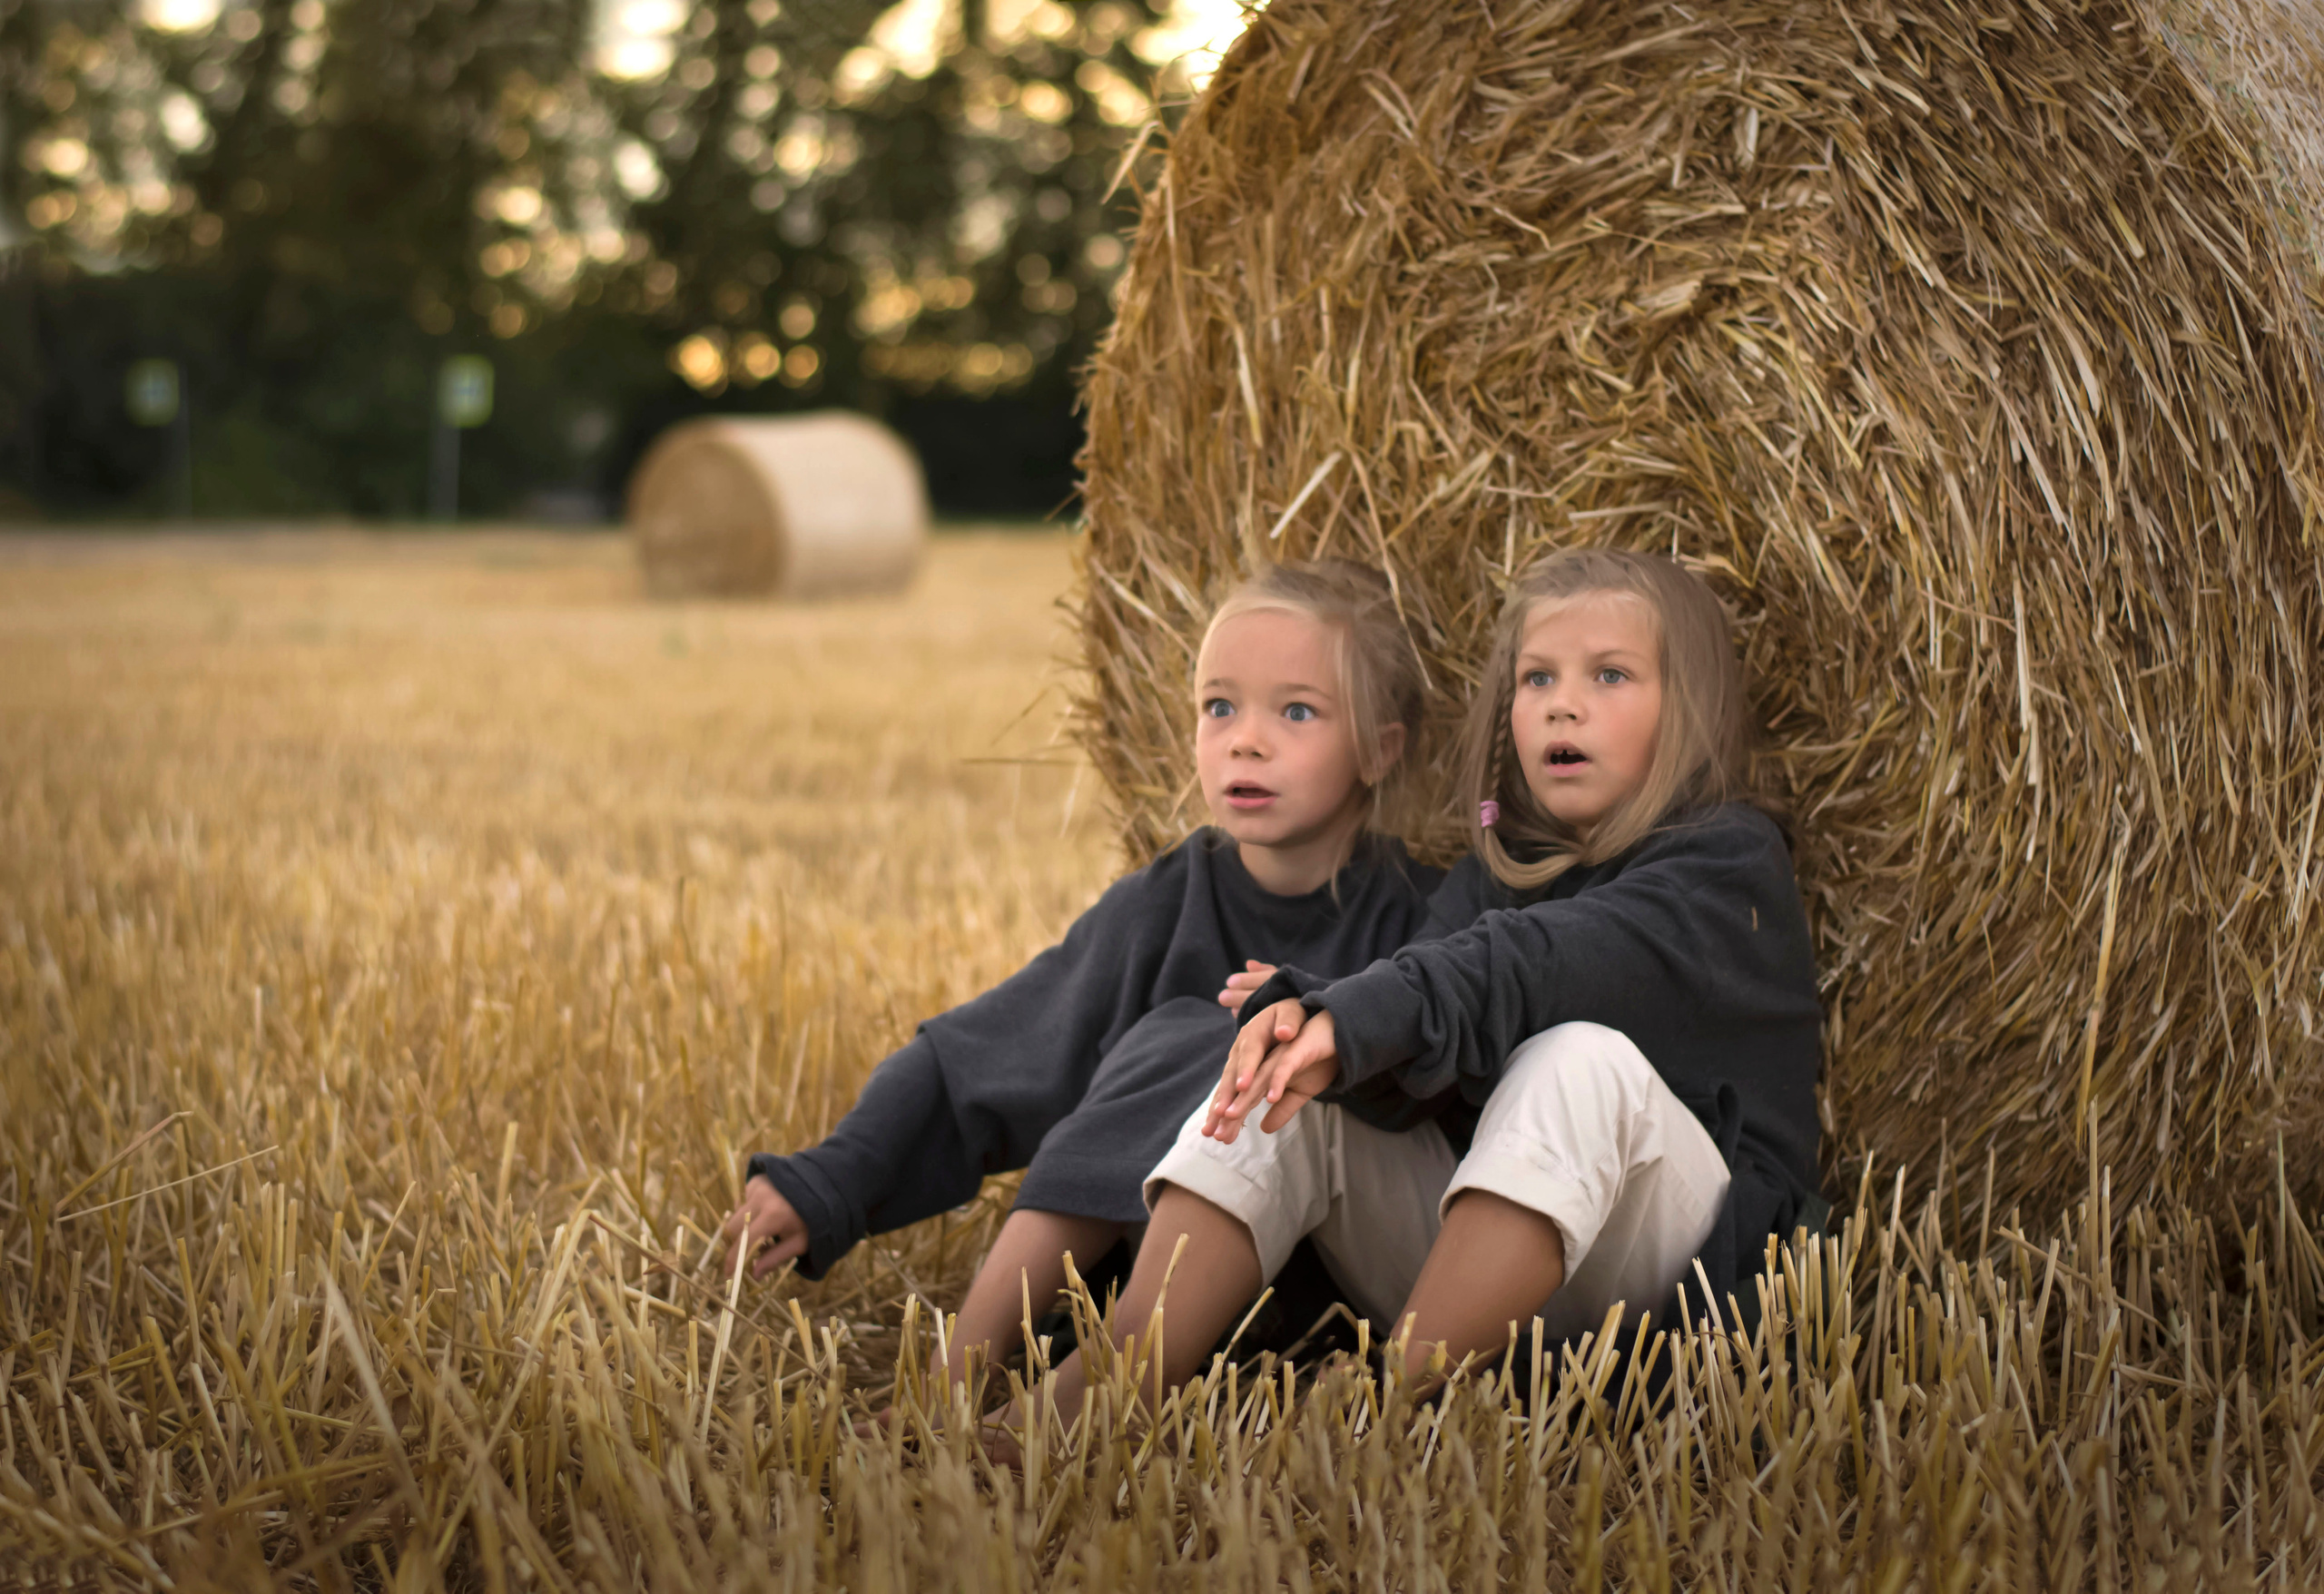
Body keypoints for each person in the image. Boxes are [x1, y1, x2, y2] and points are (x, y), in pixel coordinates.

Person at [1031, 546, 1824, 1422]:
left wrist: (1368, 1008)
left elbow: (1548, 960)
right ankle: (1108, 1390)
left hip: (1674, 1297)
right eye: (1536, 679)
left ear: (1690, 709)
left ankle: (1387, 1415)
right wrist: (1329, 1023)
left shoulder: (1727, 862)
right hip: (1492, 1293)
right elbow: (1420, 1042)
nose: (1563, 702)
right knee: (1296, 1077)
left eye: (1610, 675)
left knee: (1581, 1058)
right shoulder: (1495, 874)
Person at [719, 557, 1443, 1400]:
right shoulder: (1160, 907)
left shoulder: (1424, 923)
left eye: (1297, 710)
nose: (1246, 737)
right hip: (1156, 1297)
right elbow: (986, 1052)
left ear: (1380, 750)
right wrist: (829, 1179)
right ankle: (952, 1380)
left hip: (1333, 1307)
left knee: (1207, 1036)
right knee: (1180, 1035)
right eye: (1219, 706)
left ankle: (1068, 1400)